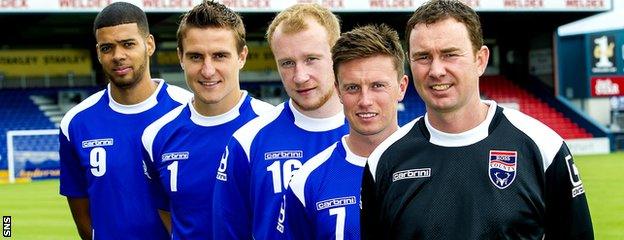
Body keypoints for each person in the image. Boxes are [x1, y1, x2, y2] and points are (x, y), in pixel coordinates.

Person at [360, 1, 594, 239]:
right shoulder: (384, 159)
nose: (436, 70)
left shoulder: (544, 147)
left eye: (450, 54)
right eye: (423, 57)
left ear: (480, 60)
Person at [212, 3, 349, 239]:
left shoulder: (376, 136)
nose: (300, 76)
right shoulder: (247, 142)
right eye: (287, 63)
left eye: (311, 59)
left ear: (336, 55)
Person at [140, 1, 274, 239]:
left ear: (242, 56)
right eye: (196, 57)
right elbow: (168, 213)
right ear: (180, 57)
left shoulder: (271, 127)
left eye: (220, 55)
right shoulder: (156, 136)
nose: (208, 70)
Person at [59, 2, 191, 239]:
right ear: (98, 53)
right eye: (107, 47)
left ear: (149, 44)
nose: (118, 56)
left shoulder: (189, 111)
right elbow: (83, 217)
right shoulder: (76, 123)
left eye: (128, 44)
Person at [282, 24, 408, 240]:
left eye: (378, 86)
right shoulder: (307, 180)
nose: (365, 101)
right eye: (352, 88)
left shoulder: (436, 164)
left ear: (401, 88)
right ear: (338, 91)